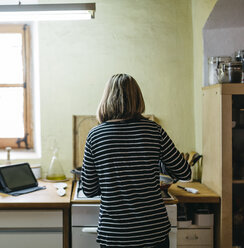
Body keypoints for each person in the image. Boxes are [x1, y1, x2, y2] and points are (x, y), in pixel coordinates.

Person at [81, 73, 191, 248]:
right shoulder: (153, 130)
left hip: (114, 234)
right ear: (137, 98)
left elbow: (89, 189)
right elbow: (184, 172)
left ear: (107, 98)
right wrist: (157, 160)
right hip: (153, 232)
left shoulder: (95, 135)